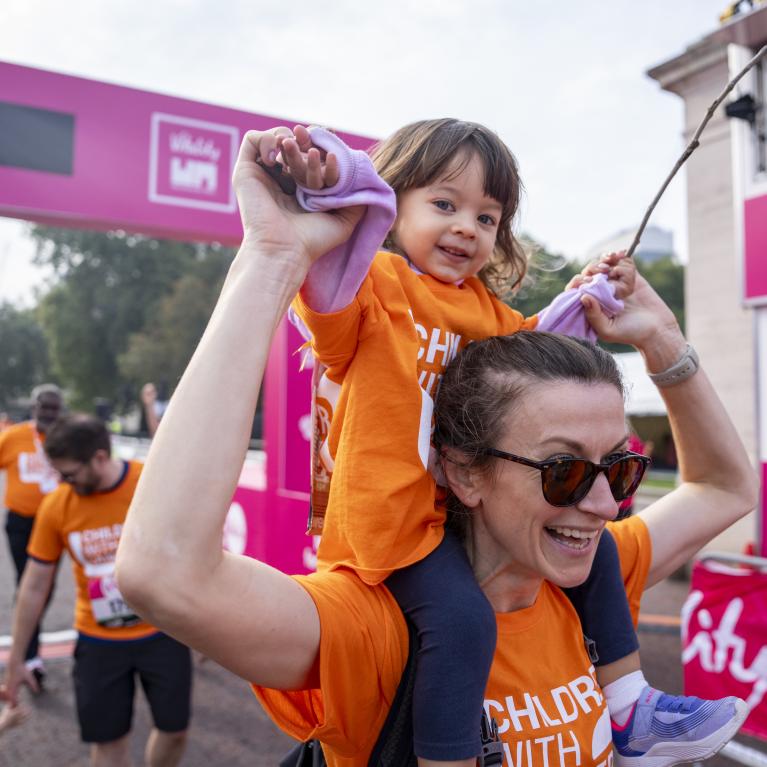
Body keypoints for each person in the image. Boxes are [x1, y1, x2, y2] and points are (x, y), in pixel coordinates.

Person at [115, 130, 757, 767]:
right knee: (463, 622)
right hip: (396, 534)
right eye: (563, 469)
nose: (603, 505)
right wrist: (276, 255)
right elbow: (165, 573)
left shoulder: (574, 559)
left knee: (596, 573)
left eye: (619, 469)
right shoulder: (379, 629)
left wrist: (651, 334)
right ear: (464, 468)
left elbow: (723, 484)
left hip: (452, 534)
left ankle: (632, 703)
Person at [2, 414, 191, 767]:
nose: (62, 481)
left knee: (175, 730)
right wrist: (16, 661)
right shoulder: (57, 505)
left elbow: (193, 548)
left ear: (99, 459)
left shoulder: (148, 483)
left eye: (69, 473)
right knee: (108, 743)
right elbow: (33, 585)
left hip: (162, 632)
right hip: (99, 641)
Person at [0, 383, 63, 683]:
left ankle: (27, 644)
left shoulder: (67, 440)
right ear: (33, 408)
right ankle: (30, 655)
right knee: (28, 582)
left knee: (45, 588)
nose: (49, 413)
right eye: (44, 406)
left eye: (54, 407)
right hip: (21, 524)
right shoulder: (13, 437)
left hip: (55, 526)